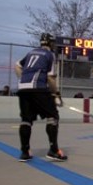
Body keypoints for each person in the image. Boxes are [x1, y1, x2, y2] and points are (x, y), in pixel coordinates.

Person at [15, 33, 67, 162]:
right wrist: (56, 93)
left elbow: (17, 65)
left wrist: (23, 79)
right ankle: (53, 150)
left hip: (23, 89)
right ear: (50, 43)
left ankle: (25, 151)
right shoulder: (50, 55)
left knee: (26, 120)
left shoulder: (30, 53)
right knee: (53, 117)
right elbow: (50, 77)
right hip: (39, 88)